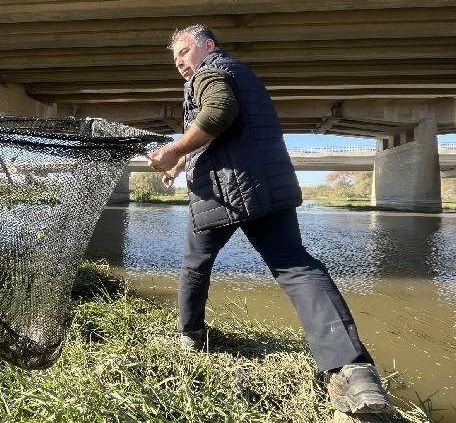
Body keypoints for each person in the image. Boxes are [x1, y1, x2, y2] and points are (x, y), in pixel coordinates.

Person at [147, 24, 391, 414]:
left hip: (224, 193)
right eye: (174, 58)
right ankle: (354, 371)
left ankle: (191, 335)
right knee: (297, 267)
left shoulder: (211, 71)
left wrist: (173, 148)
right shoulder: (239, 73)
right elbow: (229, 133)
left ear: (207, 46)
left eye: (183, 52)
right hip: (266, 188)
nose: (179, 62)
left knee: (195, 264)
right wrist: (181, 160)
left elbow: (218, 113)